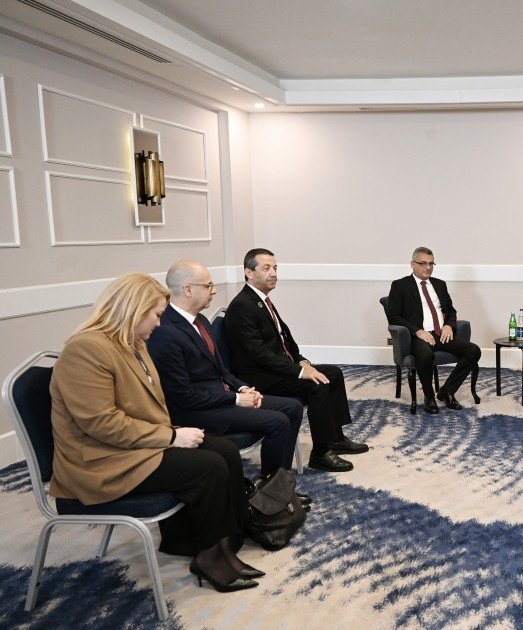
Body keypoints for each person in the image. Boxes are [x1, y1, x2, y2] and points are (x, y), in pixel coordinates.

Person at [49, 273, 261, 592]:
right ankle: (209, 556)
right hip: (100, 462)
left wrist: (174, 432)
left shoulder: (133, 344)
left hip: (131, 447)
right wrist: (172, 437)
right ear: (134, 309)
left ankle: (223, 546)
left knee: (224, 451)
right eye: (157, 315)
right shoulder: (86, 350)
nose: (160, 323)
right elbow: (101, 424)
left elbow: (145, 408)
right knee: (209, 467)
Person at [147, 260, 305, 478]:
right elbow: (183, 395)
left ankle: (280, 483)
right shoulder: (165, 332)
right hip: (197, 411)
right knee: (277, 421)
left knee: (293, 407)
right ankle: (271, 485)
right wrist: (236, 400)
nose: (214, 290)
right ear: (187, 290)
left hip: (221, 397)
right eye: (208, 286)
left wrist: (242, 388)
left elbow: (222, 370)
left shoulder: (201, 320)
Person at [224, 248, 368, 473]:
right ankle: (320, 453)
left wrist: (301, 361)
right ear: (248, 273)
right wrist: (299, 372)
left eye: (275, 268)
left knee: (333, 373)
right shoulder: (242, 305)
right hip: (258, 376)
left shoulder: (261, 300)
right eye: (266, 268)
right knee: (316, 385)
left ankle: (335, 438)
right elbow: (259, 353)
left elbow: (284, 340)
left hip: (274, 368)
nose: (273, 273)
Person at [385, 246, 482, 414]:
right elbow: (394, 317)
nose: (428, 267)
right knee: (425, 355)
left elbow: (451, 310)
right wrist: (418, 331)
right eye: (423, 263)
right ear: (412, 264)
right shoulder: (400, 285)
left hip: (440, 334)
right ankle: (429, 397)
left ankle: (446, 392)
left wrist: (448, 325)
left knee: (473, 351)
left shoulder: (439, 284)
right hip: (417, 337)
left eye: (431, 263)